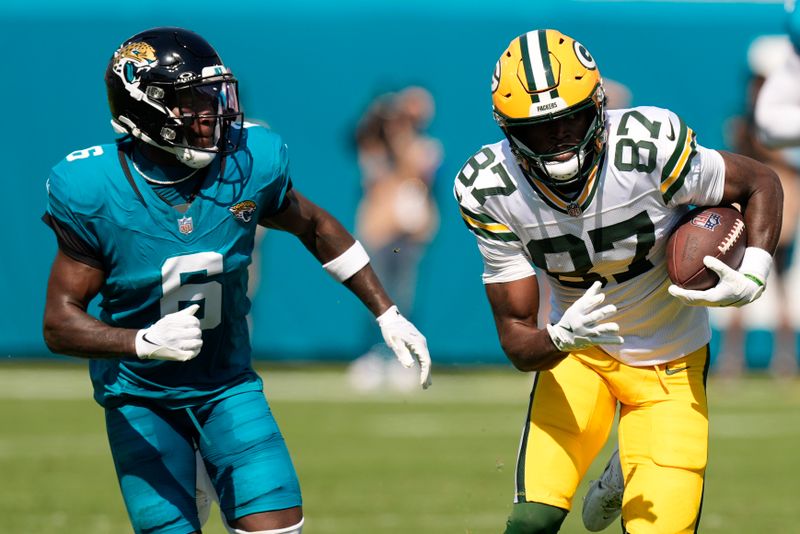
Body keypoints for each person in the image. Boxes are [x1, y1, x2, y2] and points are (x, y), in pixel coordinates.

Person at [42, 27, 431, 534]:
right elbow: (58, 323)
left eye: (215, 96)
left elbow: (315, 225)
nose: (212, 114)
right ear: (144, 109)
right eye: (193, 102)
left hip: (226, 383)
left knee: (278, 527)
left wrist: (387, 312)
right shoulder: (93, 190)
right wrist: (139, 341)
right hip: (141, 395)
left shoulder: (248, 162)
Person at [454, 29, 782, 533]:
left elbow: (761, 181)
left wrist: (755, 271)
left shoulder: (648, 146)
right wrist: (559, 337)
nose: (558, 141)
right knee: (531, 522)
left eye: (570, 121)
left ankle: (630, 462)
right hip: (580, 355)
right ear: (507, 130)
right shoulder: (490, 187)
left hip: (670, 360)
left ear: (599, 107)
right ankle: (621, 461)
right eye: (538, 130)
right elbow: (518, 340)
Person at [347, 86, 442, 391]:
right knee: (375, 296)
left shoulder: (427, 147)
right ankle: (374, 355)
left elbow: (413, 167)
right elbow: (362, 149)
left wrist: (398, 131)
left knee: (403, 297)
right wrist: (379, 119)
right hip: (380, 231)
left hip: (408, 235)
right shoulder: (376, 150)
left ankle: (404, 358)